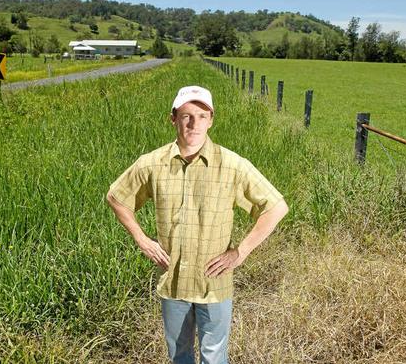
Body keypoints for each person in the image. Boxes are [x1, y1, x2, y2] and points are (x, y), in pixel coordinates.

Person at [106, 85, 288, 364]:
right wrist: (143, 240)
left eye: (202, 116)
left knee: (214, 357)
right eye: (187, 115)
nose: (194, 124)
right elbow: (116, 197)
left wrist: (240, 252)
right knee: (179, 356)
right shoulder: (151, 164)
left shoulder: (233, 166)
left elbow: (276, 207)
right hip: (173, 282)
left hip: (213, 282)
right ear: (173, 118)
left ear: (211, 119)